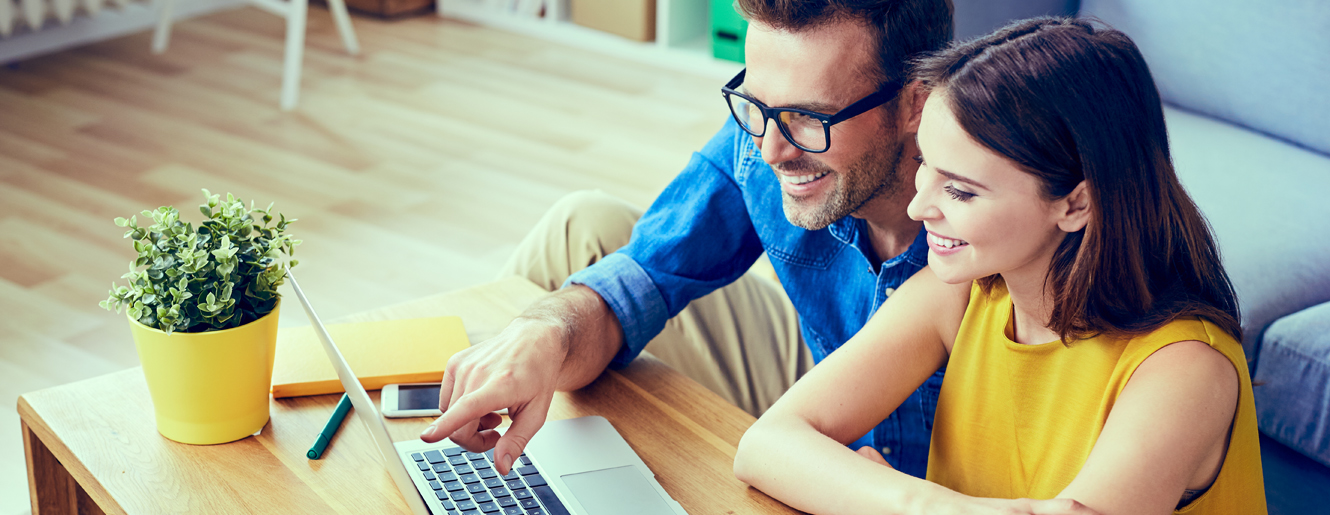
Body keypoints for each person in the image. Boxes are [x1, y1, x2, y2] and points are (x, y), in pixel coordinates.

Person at [732, 16, 1267, 515]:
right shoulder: (963, 296)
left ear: (1076, 204)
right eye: (927, 168)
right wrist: (920, 504)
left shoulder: (1185, 370)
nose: (920, 208)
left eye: (961, 191)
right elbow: (766, 445)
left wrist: (862, 489)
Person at [418, 0, 955, 478]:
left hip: (952, 466)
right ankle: (479, 431)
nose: (770, 151)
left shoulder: (994, 211)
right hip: (820, 377)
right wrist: (546, 334)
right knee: (583, 226)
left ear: (916, 103)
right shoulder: (766, 143)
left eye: (810, 118)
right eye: (758, 106)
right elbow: (644, 274)